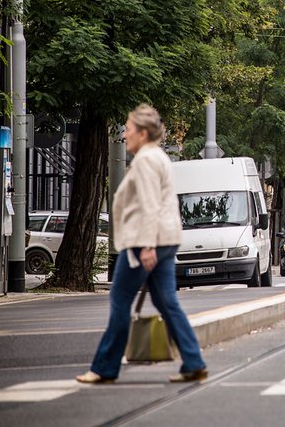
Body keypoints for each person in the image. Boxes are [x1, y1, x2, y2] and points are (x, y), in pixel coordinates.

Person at [76, 105, 207, 384]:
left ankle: (104, 367)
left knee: (120, 299)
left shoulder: (146, 160)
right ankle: (193, 361)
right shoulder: (159, 157)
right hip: (166, 239)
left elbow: (149, 205)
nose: (125, 134)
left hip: (145, 241)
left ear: (143, 133)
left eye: (129, 128)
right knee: (166, 301)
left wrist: (147, 245)